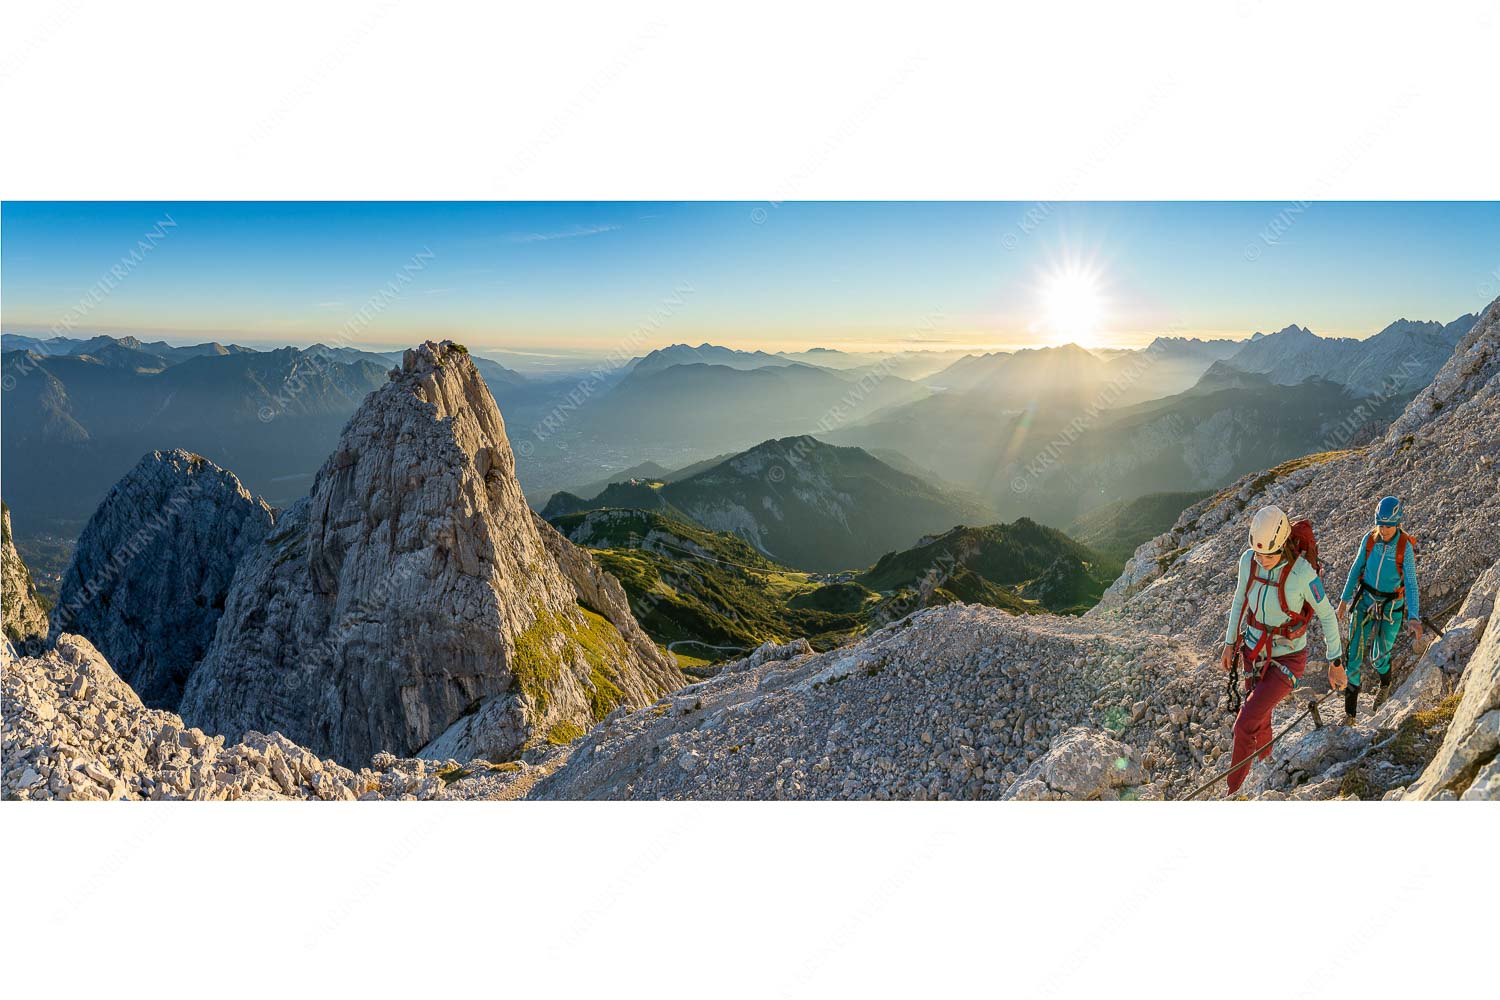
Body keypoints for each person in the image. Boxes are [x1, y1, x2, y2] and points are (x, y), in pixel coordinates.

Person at [1220, 505, 1345, 795]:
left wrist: (1335, 661)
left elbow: (1327, 614)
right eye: (1258, 553)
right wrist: (1229, 643)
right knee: (1260, 717)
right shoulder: (1248, 561)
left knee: (1244, 724)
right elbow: (1240, 601)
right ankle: (1268, 765)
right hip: (1253, 652)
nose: (1262, 560)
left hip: (1288, 658)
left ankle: (1231, 792)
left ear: (1284, 544)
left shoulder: (1302, 574)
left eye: (1270, 554)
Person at [1337, 495, 1421, 723]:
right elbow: (1356, 569)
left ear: (1397, 524)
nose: (1383, 530)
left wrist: (1414, 617)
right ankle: (1350, 715)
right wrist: (1344, 601)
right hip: (1365, 600)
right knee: (1353, 656)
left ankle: (1385, 684)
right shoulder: (1370, 539)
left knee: (1378, 657)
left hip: (1391, 606)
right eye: (1380, 525)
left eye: (1388, 526)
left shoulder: (1404, 547)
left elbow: (1411, 584)